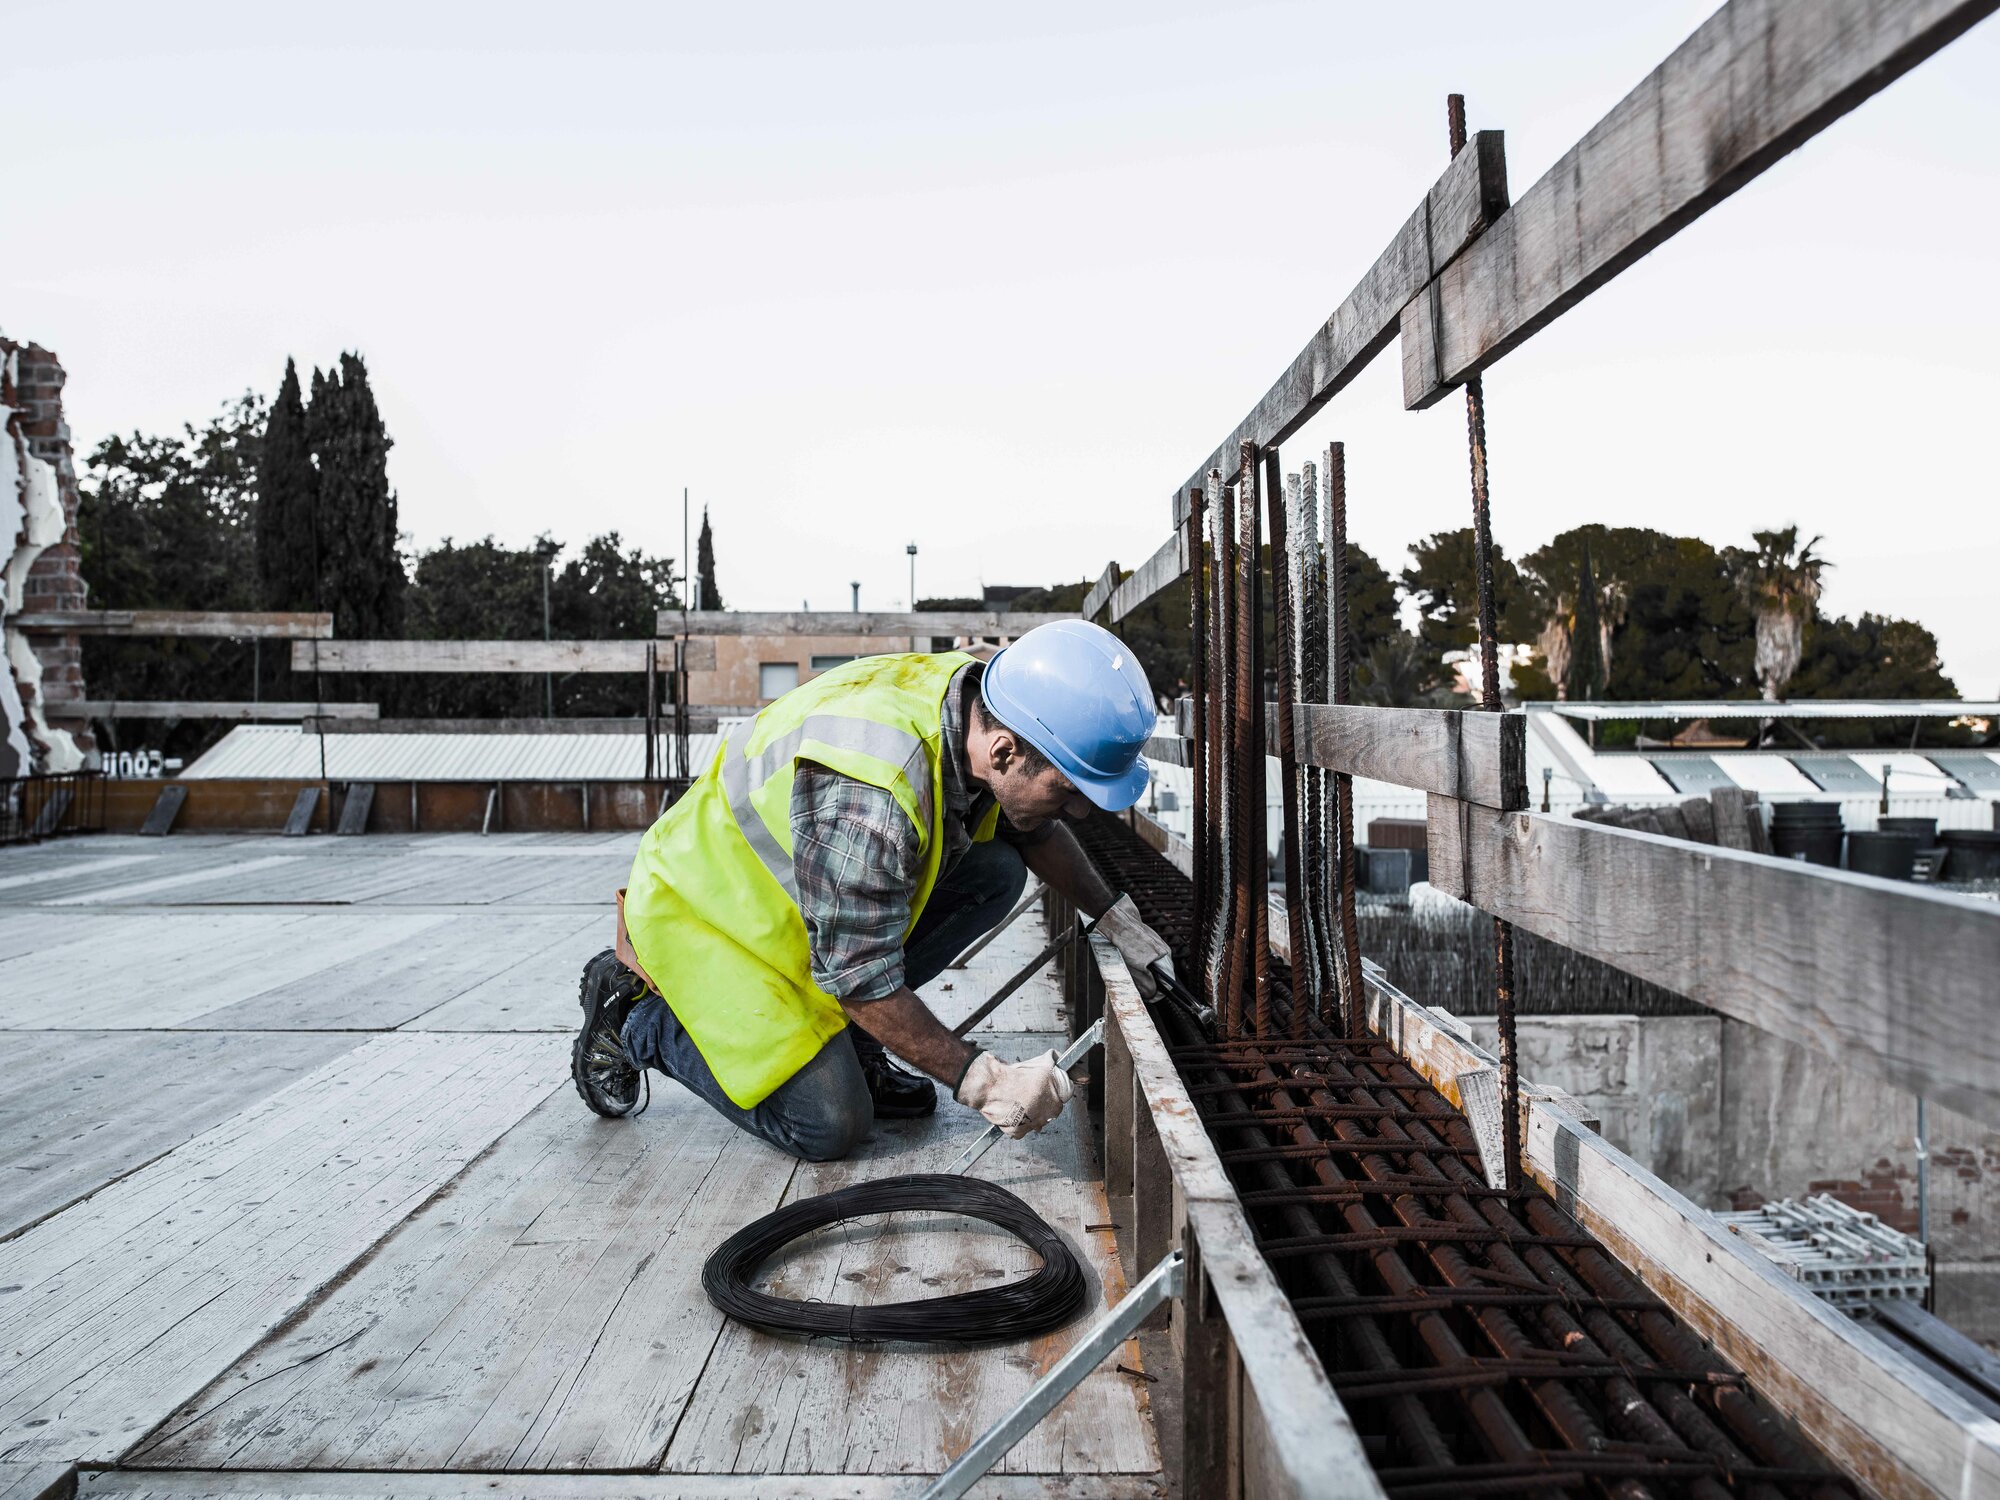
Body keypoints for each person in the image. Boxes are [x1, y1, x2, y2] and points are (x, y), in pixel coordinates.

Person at [570, 619, 1177, 1161]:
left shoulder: (977, 694)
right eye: (1069, 789)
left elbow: (1036, 831)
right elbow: (859, 978)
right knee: (830, 1125)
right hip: (709, 922)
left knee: (996, 872)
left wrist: (1116, 917)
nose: (1077, 812)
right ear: (1004, 751)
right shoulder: (872, 796)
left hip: (800, 908)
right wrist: (983, 1080)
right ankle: (635, 1015)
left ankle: (858, 1048)